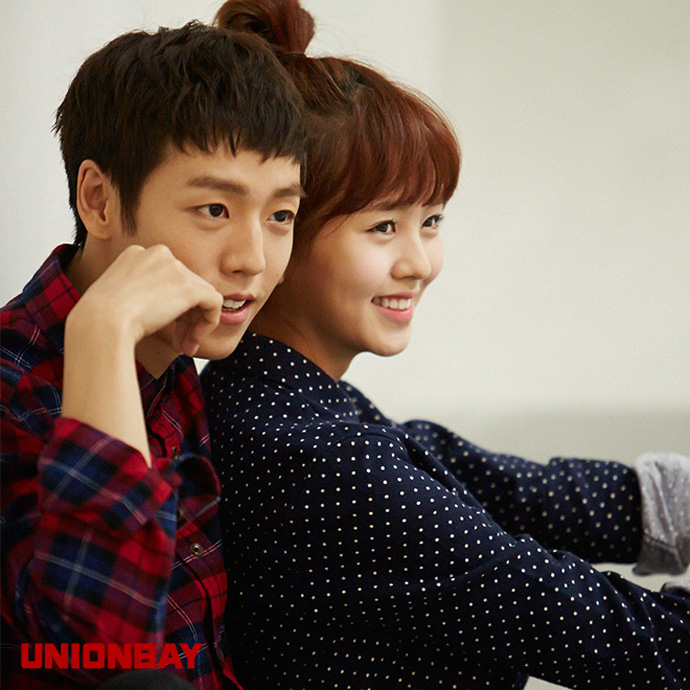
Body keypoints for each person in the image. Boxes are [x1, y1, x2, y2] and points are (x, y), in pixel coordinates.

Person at [202, 1, 690, 689]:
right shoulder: (309, 453)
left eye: (430, 221)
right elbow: (567, 615)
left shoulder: (285, 404)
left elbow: (512, 490)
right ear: (280, 229)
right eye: (383, 227)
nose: (419, 263)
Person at [0, 20, 305, 689]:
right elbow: (104, 663)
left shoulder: (180, 357)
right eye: (214, 209)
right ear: (99, 200)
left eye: (280, 215)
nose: (252, 259)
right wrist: (102, 335)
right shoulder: (12, 388)